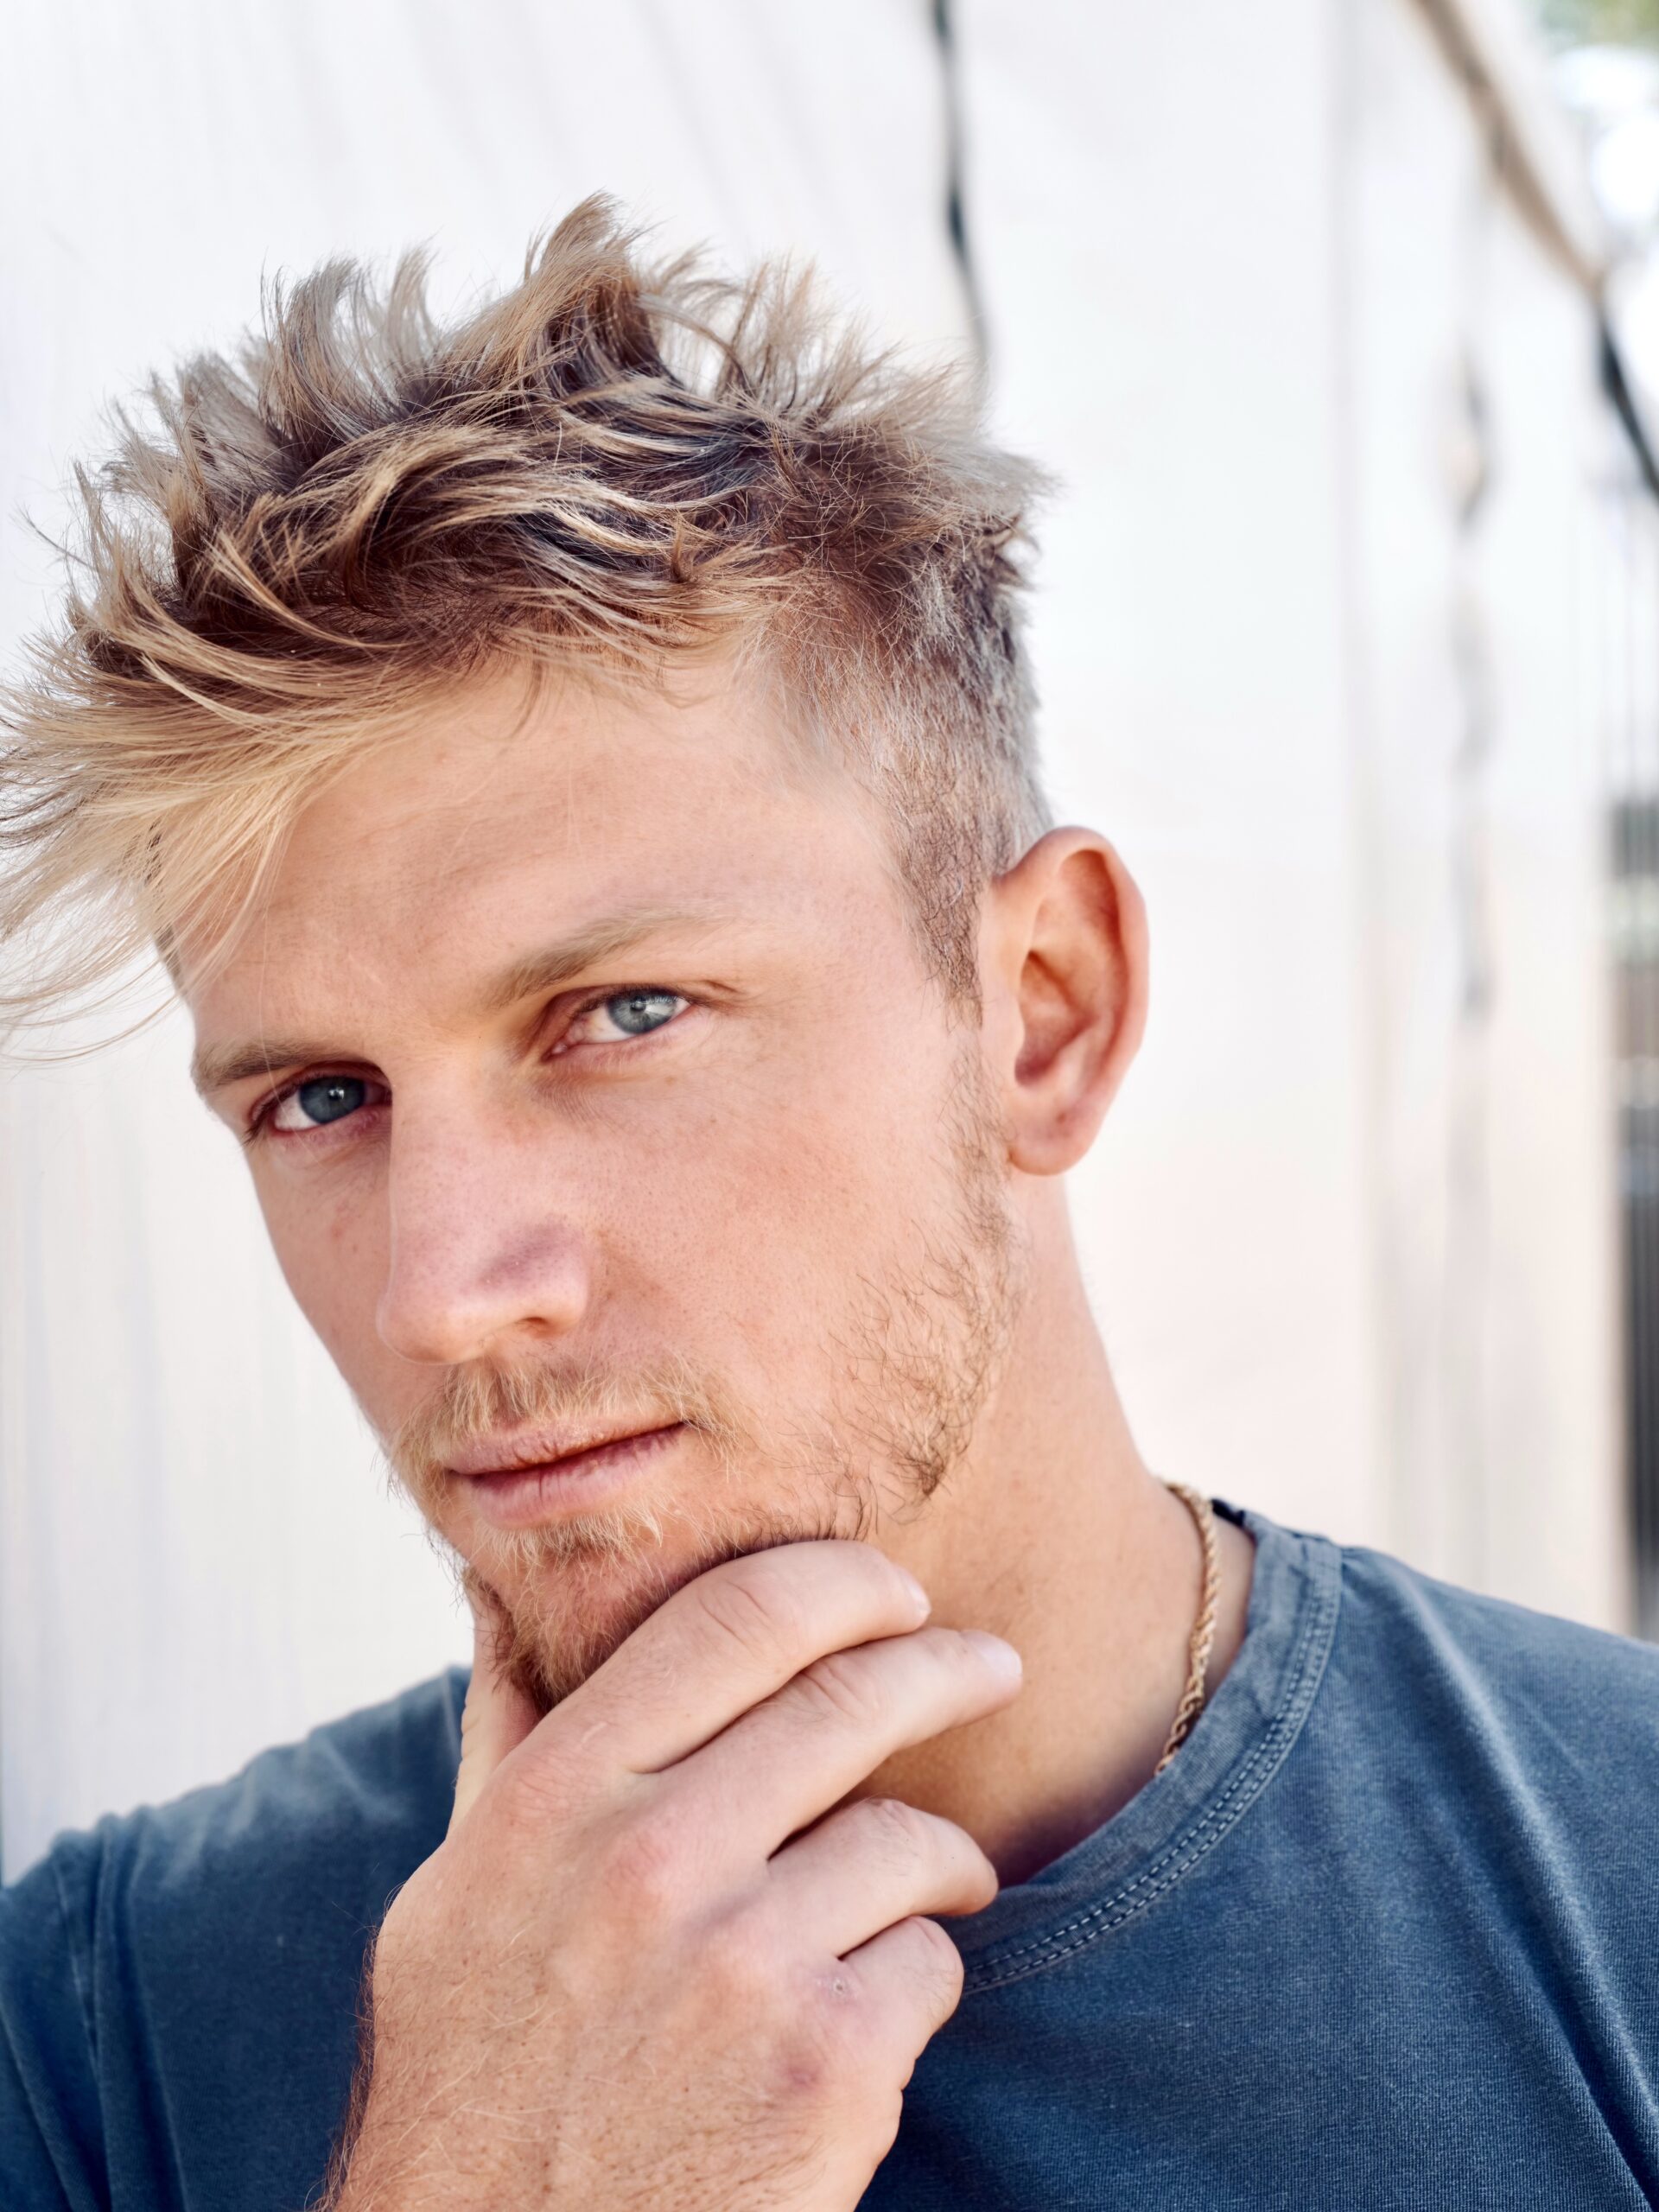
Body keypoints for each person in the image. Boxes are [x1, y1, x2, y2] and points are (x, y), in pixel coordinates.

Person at [0, 194, 1656, 2212]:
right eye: (320, 1096)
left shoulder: (1621, 1887)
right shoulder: (96, 2032)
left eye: (624, 1013)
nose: (445, 1292)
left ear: (1044, 1012)